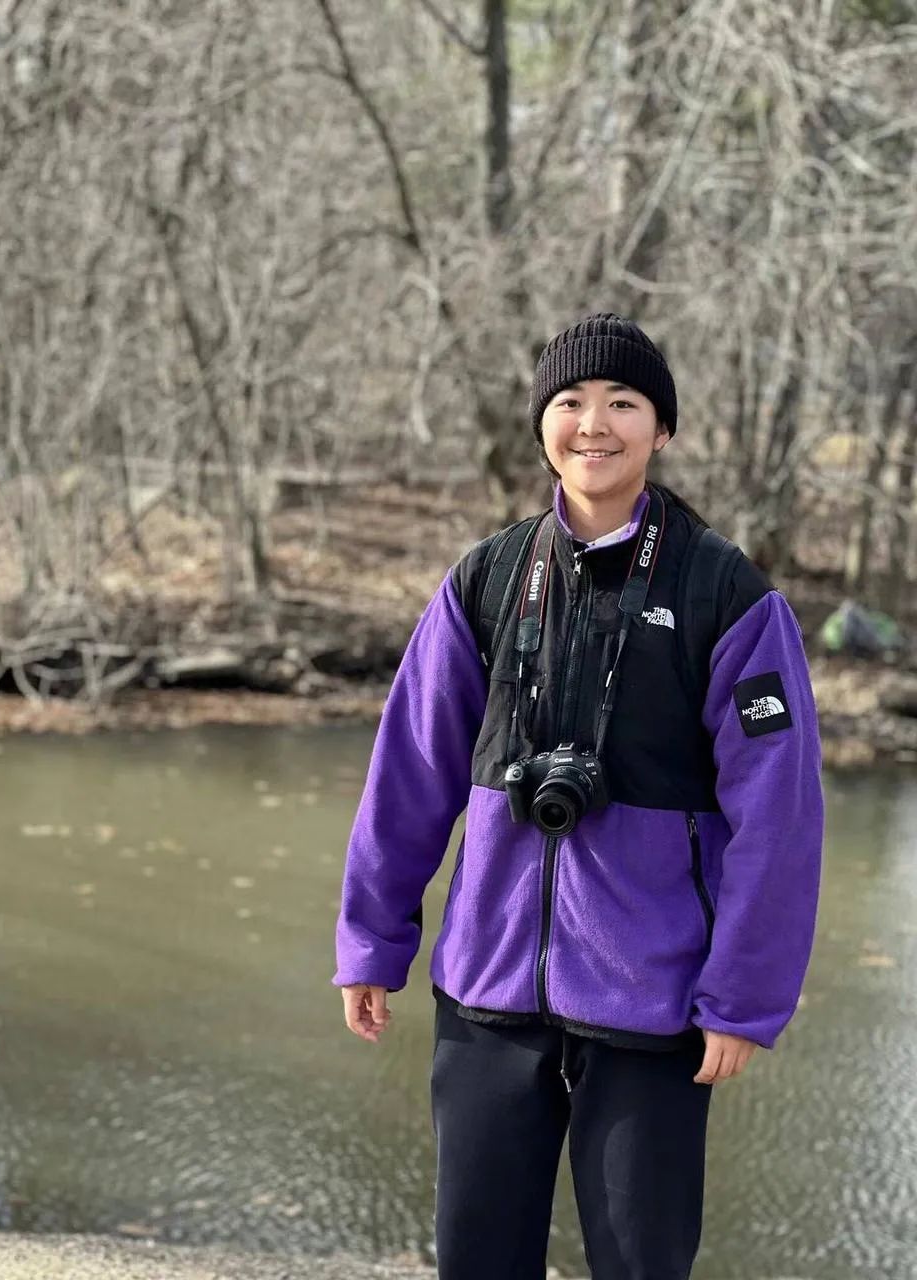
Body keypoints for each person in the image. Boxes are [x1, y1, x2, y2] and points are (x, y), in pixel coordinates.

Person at [331, 312, 825, 1280]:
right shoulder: (486, 579)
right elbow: (410, 771)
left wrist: (744, 995)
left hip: (656, 1002)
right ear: (542, 424)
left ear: (662, 430)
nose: (593, 423)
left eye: (623, 403)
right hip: (487, 988)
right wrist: (371, 937)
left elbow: (781, 815)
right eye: (570, 402)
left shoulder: (727, 594)